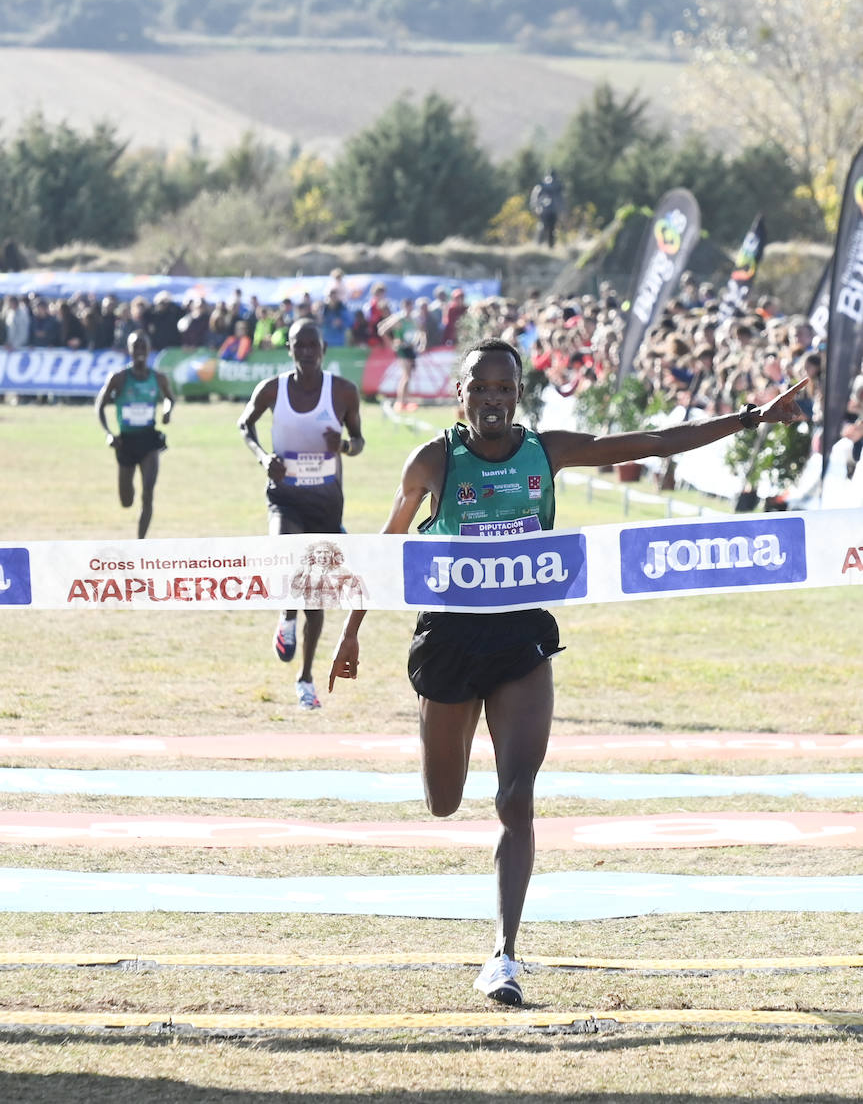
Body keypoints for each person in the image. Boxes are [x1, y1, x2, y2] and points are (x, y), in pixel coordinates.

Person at [329, 338, 807, 1008]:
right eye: (480, 388)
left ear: (518, 393)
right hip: (448, 638)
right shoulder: (434, 460)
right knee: (443, 800)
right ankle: (451, 763)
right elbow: (384, 551)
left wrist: (750, 418)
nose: (493, 400)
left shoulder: (544, 452)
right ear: (459, 393)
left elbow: (654, 441)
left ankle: (503, 956)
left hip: (522, 637)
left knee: (515, 799)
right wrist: (350, 633)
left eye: (505, 388)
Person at [238, 320, 365, 711]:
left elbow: (359, 442)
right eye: (299, 345)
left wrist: (341, 444)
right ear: (289, 349)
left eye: (313, 345)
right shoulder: (274, 388)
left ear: (323, 348)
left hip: (326, 504)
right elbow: (245, 423)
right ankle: (285, 616)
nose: (307, 351)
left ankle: (305, 678)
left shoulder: (342, 391)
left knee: (317, 598)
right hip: (285, 496)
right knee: (285, 553)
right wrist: (264, 458)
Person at [95, 331, 174, 538]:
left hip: (149, 440)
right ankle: (128, 499)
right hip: (125, 442)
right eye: (135, 347)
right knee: (126, 500)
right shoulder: (119, 378)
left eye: (143, 347)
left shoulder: (158, 377)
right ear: (129, 350)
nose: (139, 351)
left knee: (148, 493)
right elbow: (100, 405)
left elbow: (170, 398)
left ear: (149, 350)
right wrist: (109, 434)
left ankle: (140, 544)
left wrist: (167, 411)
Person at [529, 169, 564, 247]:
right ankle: (547, 246)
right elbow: (561, 199)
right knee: (550, 229)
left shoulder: (543, 185)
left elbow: (535, 198)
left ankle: (539, 245)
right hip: (551, 210)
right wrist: (562, 210)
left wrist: (535, 208)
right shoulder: (556, 185)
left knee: (544, 227)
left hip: (545, 210)